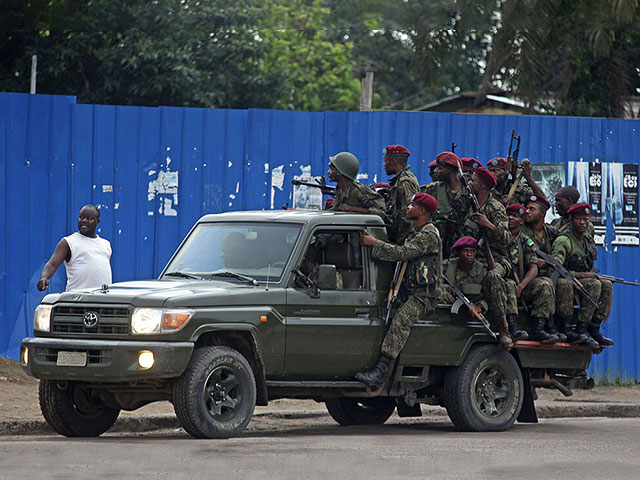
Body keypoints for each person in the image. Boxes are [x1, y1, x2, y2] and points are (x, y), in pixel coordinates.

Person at [355, 193, 442, 387]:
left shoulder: (428, 235)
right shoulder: (416, 232)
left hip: (424, 295)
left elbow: (404, 253)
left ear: (422, 211)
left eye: (412, 206)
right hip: (410, 289)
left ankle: (380, 372)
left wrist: (374, 244)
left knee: (401, 319)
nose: (408, 208)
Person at [551, 203, 614, 348]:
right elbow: (555, 268)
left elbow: (589, 263)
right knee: (594, 284)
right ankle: (578, 329)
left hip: (581, 281)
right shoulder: (564, 240)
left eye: (585, 219)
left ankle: (594, 328)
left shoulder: (587, 240)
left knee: (607, 284)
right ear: (571, 220)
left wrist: (594, 274)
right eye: (578, 219)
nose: (582, 223)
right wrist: (582, 275)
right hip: (565, 282)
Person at [439, 236, 512, 347]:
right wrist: (443, 287)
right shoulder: (447, 265)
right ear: (459, 252)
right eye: (466, 251)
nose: (469, 254)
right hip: (449, 305)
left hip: (471, 306)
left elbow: (488, 296)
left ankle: (504, 329)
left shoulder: (482, 271)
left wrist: (480, 306)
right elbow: (432, 278)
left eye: (472, 251)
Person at [504, 203, 558, 342]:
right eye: (508, 215)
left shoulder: (525, 241)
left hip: (520, 283)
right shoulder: (499, 236)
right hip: (502, 284)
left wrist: (522, 286)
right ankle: (512, 327)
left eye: (515, 216)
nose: (511, 218)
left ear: (522, 221)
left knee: (544, 284)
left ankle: (538, 329)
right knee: (509, 284)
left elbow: (533, 268)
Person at [37, 205, 112, 292]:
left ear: (97, 222)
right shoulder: (69, 242)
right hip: (77, 300)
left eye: (89, 218)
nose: (84, 221)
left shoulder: (105, 244)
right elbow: (52, 264)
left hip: (103, 300)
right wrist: (43, 278)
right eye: (81, 217)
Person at [521, 194, 564, 340]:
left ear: (542, 213)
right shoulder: (521, 231)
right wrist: (535, 260)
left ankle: (555, 326)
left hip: (544, 275)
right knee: (546, 285)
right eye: (526, 208)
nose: (527, 211)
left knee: (562, 284)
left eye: (531, 209)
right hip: (525, 277)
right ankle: (538, 328)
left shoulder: (550, 232)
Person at [421, 151, 471, 258]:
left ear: (450, 170)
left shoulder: (469, 192)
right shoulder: (431, 189)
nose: (435, 171)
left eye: (440, 168)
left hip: (463, 250)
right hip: (437, 247)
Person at [327, 152, 386, 220]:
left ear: (340, 172)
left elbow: (381, 212)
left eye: (332, 169)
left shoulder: (359, 191)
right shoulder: (339, 189)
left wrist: (353, 209)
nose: (329, 172)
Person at [382, 145, 420, 244]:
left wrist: (402, 242)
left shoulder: (404, 181)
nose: (384, 164)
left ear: (394, 162)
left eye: (386, 161)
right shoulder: (400, 180)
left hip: (406, 239)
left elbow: (410, 214)